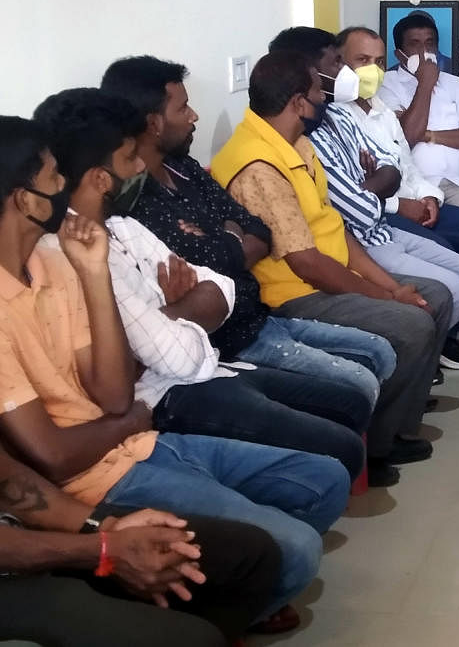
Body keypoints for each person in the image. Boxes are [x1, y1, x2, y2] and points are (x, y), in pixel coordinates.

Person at [0, 115, 350, 629]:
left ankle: (226, 574)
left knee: (323, 479)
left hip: (137, 443)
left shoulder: (57, 261)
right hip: (92, 482)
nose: (64, 190)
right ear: (24, 199)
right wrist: (131, 419)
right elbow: (53, 455)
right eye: (54, 178)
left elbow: (114, 394)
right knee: (294, 551)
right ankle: (210, 588)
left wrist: (95, 275)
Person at [33, 87, 377, 484]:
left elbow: (220, 286)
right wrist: (184, 309)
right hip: (170, 394)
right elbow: (179, 353)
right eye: (130, 159)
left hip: (211, 361)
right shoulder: (79, 253)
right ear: (99, 178)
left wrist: (171, 317)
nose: (139, 168)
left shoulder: (124, 226)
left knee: (350, 402)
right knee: (342, 449)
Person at [100, 54, 398, 416]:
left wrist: (225, 237)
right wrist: (232, 237)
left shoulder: (184, 169)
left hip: (255, 316)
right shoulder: (135, 201)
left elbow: (257, 232)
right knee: (360, 380)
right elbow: (204, 262)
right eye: (184, 108)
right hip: (225, 341)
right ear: (153, 123)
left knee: (380, 352)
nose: (194, 115)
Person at [210, 51, 451, 473]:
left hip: (333, 272)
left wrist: (392, 289)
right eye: (317, 89)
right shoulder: (259, 164)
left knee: (437, 295)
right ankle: (374, 450)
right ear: (298, 103)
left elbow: (336, 228)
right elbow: (307, 263)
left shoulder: (295, 142)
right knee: (411, 323)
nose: (326, 94)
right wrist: (387, 298)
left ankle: (400, 418)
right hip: (294, 293)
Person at [270, 26, 459, 369]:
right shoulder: (297, 140)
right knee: (452, 288)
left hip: (387, 223)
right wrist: (374, 185)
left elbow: (394, 165)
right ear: (309, 75)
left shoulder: (339, 114)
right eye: (341, 62)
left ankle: (430, 352)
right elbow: (359, 211)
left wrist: (387, 186)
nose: (349, 71)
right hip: (364, 239)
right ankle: (426, 359)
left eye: (378, 61)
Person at [0, 442, 280, 645]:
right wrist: (103, 551)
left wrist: (103, 526)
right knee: (196, 639)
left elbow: (7, 475)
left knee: (250, 553)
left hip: (22, 533)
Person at [336, 26, 459, 331]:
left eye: (376, 61)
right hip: (390, 208)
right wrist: (425, 85)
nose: (424, 53)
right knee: (445, 249)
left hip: (437, 187)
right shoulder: (373, 98)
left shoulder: (383, 108)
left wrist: (428, 194)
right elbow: (407, 142)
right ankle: (442, 332)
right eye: (362, 60)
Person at [377, 12, 459, 215]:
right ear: (399, 54)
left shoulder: (454, 84)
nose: (424, 51)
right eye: (415, 44)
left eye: (430, 43)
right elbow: (408, 137)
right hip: (411, 187)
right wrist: (425, 83)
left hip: (456, 184)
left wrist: (429, 135)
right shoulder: (386, 84)